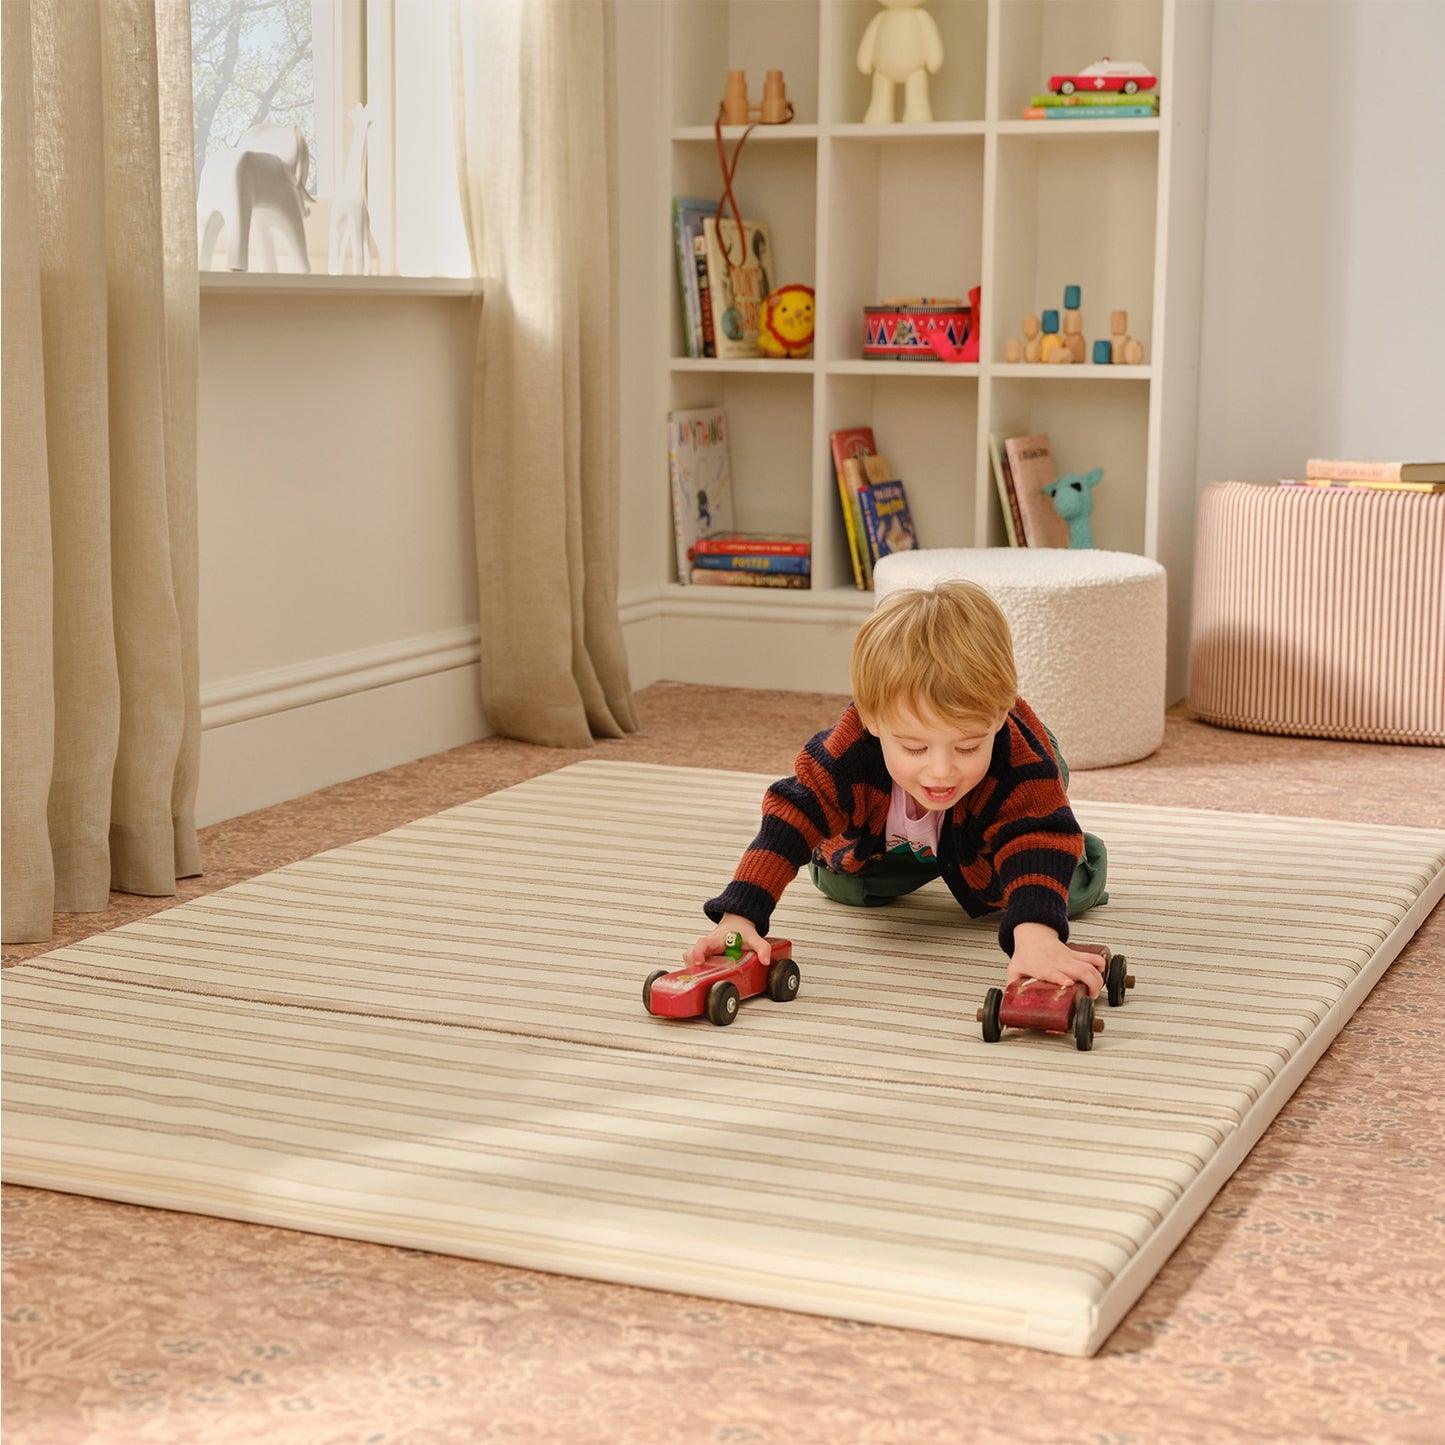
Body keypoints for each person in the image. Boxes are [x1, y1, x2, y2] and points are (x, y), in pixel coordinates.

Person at [684, 579, 1110, 993]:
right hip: (889, 838)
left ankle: (1073, 844)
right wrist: (740, 916)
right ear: (871, 719)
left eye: (966, 746)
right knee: (842, 884)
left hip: (993, 822)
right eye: (914, 747)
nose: (940, 771)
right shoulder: (847, 754)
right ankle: (928, 837)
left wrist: (1036, 938)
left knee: (1051, 894)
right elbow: (791, 817)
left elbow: (1035, 836)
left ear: (999, 717)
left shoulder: (1018, 760)